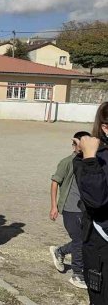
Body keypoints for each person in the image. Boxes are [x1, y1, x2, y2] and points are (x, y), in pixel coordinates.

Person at [73, 102, 108, 303]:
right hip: (101, 242)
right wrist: (89, 158)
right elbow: (96, 199)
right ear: (105, 127)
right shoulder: (90, 159)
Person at [49, 131, 90, 289]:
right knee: (79, 240)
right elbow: (54, 183)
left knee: (84, 240)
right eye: (78, 144)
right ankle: (77, 274)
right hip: (70, 209)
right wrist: (54, 206)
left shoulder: (90, 162)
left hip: (86, 209)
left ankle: (60, 251)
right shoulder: (67, 162)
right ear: (74, 145)